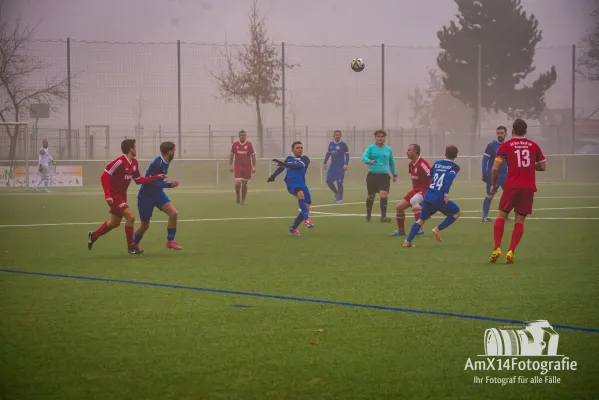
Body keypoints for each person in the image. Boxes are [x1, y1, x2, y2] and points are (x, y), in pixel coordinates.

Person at [87, 139, 165, 255]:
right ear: (130, 149)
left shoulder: (134, 163)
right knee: (131, 216)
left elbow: (138, 180)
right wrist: (108, 195)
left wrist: (156, 177)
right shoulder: (119, 162)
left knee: (114, 223)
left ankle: (93, 236)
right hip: (114, 196)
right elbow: (104, 176)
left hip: (122, 196)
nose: (136, 149)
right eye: (135, 147)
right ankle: (131, 247)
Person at [489, 119, 546, 264]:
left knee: (501, 216)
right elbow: (543, 167)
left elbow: (495, 168)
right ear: (525, 131)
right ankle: (511, 251)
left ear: (512, 131)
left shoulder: (506, 146)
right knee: (519, 221)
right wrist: (529, 167)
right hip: (528, 187)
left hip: (512, 186)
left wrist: (494, 184)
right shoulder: (534, 146)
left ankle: (497, 248)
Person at [403, 145, 461, 248]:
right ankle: (437, 229)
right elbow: (450, 177)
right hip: (439, 196)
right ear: (456, 155)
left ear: (445, 154)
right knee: (457, 212)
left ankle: (407, 241)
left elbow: (430, 175)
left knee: (421, 220)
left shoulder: (437, 163)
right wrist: (446, 192)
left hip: (428, 195)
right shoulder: (455, 167)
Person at [133, 141, 182, 251]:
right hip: (146, 197)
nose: (175, 151)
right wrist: (169, 184)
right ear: (169, 151)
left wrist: (164, 181)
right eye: (174, 150)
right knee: (145, 226)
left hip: (158, 194)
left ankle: (170, 241)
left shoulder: (167, 160)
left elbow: (158, 180)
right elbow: (149, 182)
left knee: (173, 213)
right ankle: (134, 244)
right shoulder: (157, 163)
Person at [267, 141, 314, 236]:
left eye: (301, 148)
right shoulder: (289, 158)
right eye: (298, 148)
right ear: (292, 150)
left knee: (307, 207)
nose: (300, 149)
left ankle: (293, 228)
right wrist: (273, 176)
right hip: (291, 182)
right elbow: (281, 168)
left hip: (302, 183)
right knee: (300, 194)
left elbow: (299, 165)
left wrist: (285, 164)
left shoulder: (305, 159)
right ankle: (307, 220)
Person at [392, 144, 431, 236]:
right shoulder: (411, 164)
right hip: (415, 190)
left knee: (414, 201)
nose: (407, 152)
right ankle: (401, 231)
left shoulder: (422, 164)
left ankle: (419, 228)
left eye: (409, 150)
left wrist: (430, 193)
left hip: (425, 190)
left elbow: (432, 177)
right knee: (399, 207)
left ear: (415, 152)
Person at [361, 130, 397, 222]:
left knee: (384, 194)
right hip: (372, 175)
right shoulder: (371, 148)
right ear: (375, 138)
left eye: (382, 136)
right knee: (371, 196)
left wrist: (394, 174)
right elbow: (364, 157)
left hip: (384, 176)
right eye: (378, 136)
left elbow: (391, 162)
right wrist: (369, 161)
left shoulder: (388, 149)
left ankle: (383, 216)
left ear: (384, 138)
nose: (380, 138)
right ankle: (368, 214)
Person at [482, 126, 509, 221]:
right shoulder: (491, 145)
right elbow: (485, 159)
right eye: (498, 133)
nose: (500, 135)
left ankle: (505, 216)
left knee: (508, 195)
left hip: (505, 175)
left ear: (506, 134)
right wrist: (484, 172)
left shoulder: (508, 145)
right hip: (493, 175)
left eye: (502, 133)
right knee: (490, 195)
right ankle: (485, 217)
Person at [229, 130, 256, 205]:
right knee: (238, 183)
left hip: (247, 167)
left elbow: (253, 156)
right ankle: (238, 195)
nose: (243, 136)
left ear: (246, 136)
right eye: (241, 135)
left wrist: (254, 166)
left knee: (244, 185)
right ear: (239, 136)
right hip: (238, 166)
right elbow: (231, 156)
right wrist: (230, 165)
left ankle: (243, 200)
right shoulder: (235, 145)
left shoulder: (249, 145)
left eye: (244, 135)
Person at [323, 130, 349, 203]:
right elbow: (328, 153)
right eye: (336, 135)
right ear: (334, 136)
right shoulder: (331, 144)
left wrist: (346, 164)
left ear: (340, 136)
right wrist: (325, 162)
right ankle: (337, 193)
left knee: (339, 182)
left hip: (340, 166)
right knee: (328, 180)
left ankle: (340, 198)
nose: (337, 136)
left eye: (339, 135)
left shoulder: (343, 144)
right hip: (332, 166)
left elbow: (347, 154)